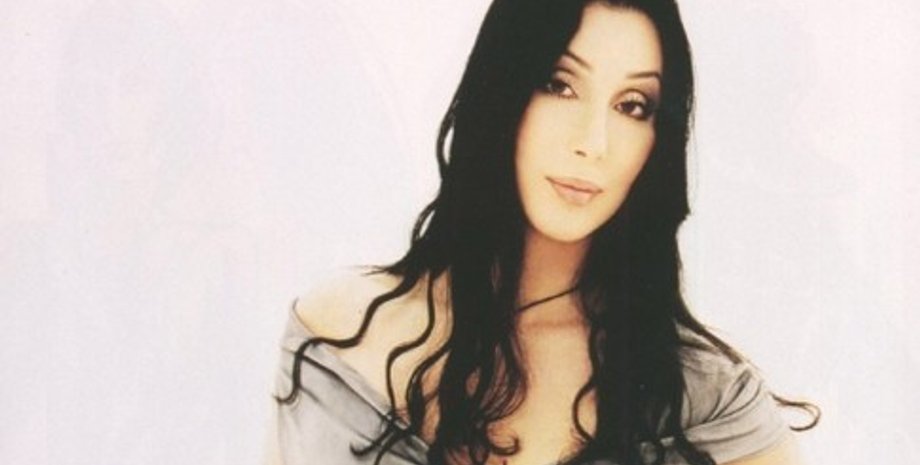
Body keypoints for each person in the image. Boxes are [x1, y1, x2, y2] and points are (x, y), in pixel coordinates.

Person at [266, 0, 819, 464]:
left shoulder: (708, 401)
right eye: (559, 85)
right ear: (501, 90)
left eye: (632, 106)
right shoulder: (344, 334)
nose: (593, 142)